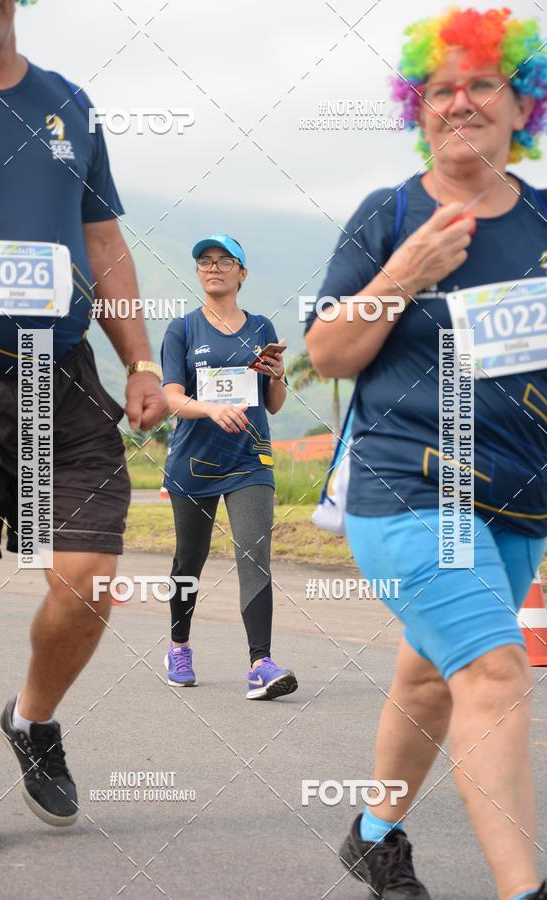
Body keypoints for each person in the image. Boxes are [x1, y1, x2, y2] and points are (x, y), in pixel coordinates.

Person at [305, 7, 547, 900]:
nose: (460, 103)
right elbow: (325, 356)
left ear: (522, 104)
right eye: (440, 89)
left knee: (431, 673)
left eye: (481, 84)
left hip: (521, 499)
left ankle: (375, 835)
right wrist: (404, 273)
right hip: (407, 487)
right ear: (420, 109)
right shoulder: (391, 213)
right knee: (493, 669)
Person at [0, 0, 168, 854]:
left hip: (59, 382)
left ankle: (31, 718)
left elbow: (100, 233)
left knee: (86, 576)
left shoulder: (67, 102)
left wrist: (141, 361)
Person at [160, 233, 298, 700]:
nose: (213, 267)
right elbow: (173, 398)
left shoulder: (260, 327)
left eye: (224, 260)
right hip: (193, 464)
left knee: (253, 555)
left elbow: (274, 404)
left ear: (242, 272)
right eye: (204, 261)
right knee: (190, 560)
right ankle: (179, 646)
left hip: (250, 461)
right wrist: (210, 408)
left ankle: (260, 663)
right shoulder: (181, 329)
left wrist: (277, 377)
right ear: (198, 273)